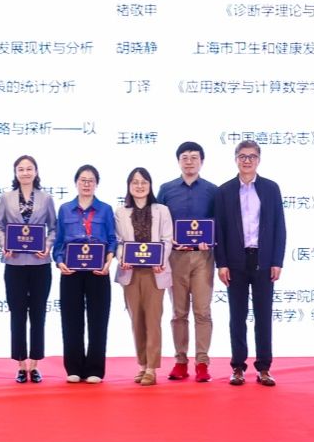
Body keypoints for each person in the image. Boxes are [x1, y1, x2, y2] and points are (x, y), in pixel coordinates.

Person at [214, 140, 286, 387]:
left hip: (263, 260)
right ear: (236, 159)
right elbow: (219, 230)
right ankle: (238, 367)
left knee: (263, 316)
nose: (247, 160)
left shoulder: (270, 188)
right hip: (235, 261)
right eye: (242, 156)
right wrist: (221, 263)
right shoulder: (224, 191)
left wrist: (277, 260)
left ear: (259, 160)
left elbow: (279, 226)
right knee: (237, 316)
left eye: (252, 156)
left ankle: (264, 368)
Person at [156, 141, 218, 382]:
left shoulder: (212, 190)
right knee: (178, 312)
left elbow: (218, 222)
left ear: (202, 161)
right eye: (185, 157)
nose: (189, 161)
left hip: (203, 257)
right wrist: (169, 241)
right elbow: (158, 222)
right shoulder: (166, 189)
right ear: (178, 161)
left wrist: (209, 240)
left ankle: (202, 363)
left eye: (194, 157)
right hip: (176, 257)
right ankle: (180, 361)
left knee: (202, 311)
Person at [0, 155, 58, 383]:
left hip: (40, 265)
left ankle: (35, 364)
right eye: (21, 169)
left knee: (38, 314)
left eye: (29, 169)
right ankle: (21, 365)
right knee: (18, 314)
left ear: (36, 171)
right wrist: (5, 245)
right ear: (15, 173)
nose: (25, 173)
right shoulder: (6, 198)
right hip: (15, 265)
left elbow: (54, 228)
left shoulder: (46, 198)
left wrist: (47, 246)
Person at [53, 164, 116, 384]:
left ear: (96, 184)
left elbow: (112, 239)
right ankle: (74, 367)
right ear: (76, 183)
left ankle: (95, 368)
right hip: (71, 272)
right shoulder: (65, 209)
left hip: (98, 271)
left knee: (98, 320)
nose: (87, 184)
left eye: (91, 180)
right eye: (83, 180)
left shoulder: (105, 209)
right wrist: (60, 262)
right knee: (71, 319)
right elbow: (59, 242)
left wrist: (109, 260)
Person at [115, 167, 174, 386]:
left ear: (150, 186)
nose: (139, 186)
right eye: (135, 182)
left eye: (143, 182)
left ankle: (151, 368)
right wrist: (122, 257)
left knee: (153, 320)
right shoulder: (121, 212)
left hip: (155, 273)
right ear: (129, 186)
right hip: (130, 272)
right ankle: (141, 364)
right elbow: (118, 241)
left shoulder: (162, 210)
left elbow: (167, 239)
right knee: (136, 321)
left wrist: (160, 260)